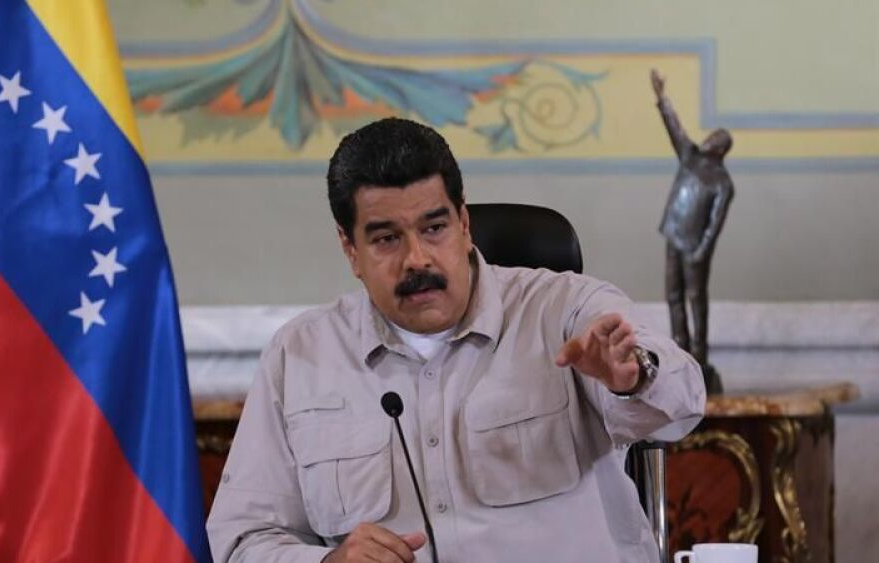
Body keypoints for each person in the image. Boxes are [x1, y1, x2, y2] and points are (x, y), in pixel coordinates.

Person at [207, 117, 705, 562]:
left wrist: (633, 375)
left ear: (464, 225)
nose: (417, 258)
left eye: (435, 228)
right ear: (350, 249)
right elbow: (241, 539)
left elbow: (683, 406)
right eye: (386, 239)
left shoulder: (564, 309)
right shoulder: (300, 356)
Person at [650, 69, 735, 394]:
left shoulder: (722, 182)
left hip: (695, 247)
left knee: (696, 298)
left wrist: (702, 250)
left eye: (715, 138)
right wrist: (661, 100)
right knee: (673, 296)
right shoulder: (690, 158)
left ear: (721, 148)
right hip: (674, 234)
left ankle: (699, 355)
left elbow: (714, 225)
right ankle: (680, 350)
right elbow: (676, 131)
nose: (708, 138)